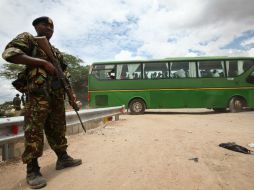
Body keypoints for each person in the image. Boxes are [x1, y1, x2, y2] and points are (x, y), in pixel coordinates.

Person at [2, 16, 82, 189]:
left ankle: (63, 158)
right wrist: (42, 62)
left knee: (58, 129)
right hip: (38, 96)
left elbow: (65, 75)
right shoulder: (29, 39)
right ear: (36, 26)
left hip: (57, 97)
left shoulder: (56, 52)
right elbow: (9, 53)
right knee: (34, 131)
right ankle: (32, 170)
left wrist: (72, 96)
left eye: (52, 27)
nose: (49, 28)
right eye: (45, 25)